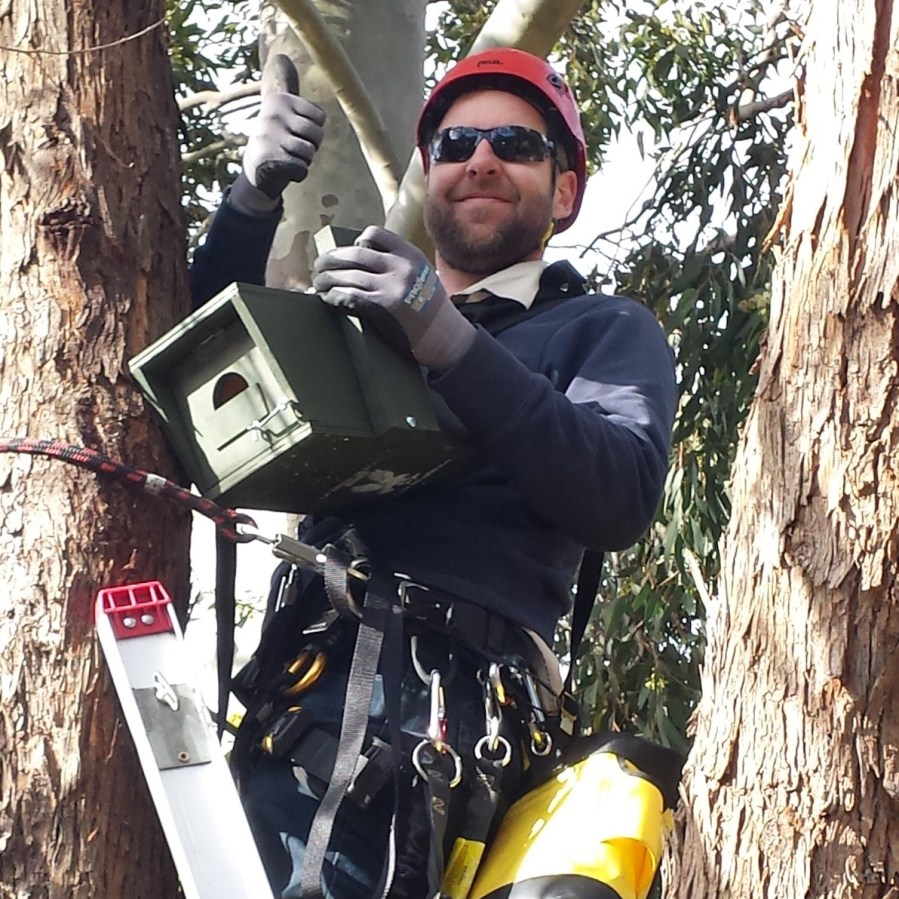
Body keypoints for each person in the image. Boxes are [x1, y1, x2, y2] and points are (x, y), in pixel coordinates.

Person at [190, 48, 678, 899]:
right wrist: (249, 202)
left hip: (460, 719)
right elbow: (187, 387)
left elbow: (617, 494)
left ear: (563, 192)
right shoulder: (353, 321)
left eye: (515, 145)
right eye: (455, 143)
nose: (480, 158)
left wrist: (447, 338)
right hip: (305, 713)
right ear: (428, 175)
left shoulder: (598, 330)